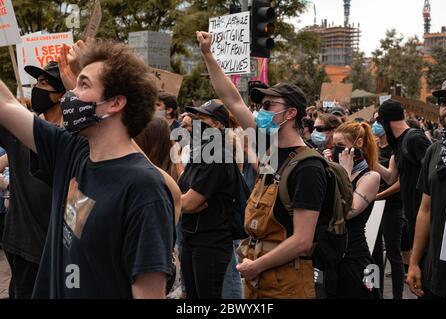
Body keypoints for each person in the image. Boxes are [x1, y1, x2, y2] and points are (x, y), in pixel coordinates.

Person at [0, 39, 175, 298]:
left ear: (115, 103)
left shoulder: (144, 189)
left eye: (82, 85)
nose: (70, 96)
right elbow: (6, 105)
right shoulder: (71, 151)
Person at [198, 31, 326, 299]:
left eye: (269, 104)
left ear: (291, 114)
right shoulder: (267, 146)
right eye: (261, 104)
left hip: (287, 282)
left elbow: (302, 240)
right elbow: (232, 99)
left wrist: (256, 266)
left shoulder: (308, 167)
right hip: (259, 277)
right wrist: (208, 55)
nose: (262, 109)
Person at [0, 61, 66, 299]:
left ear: (61, 94)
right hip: (16, 245)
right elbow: (4, 104)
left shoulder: (71, 141)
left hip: (50, 252)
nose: (36, 88)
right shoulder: (20, 131)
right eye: (36, 82)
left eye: (43, 83)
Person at [177, 100, 235, 299]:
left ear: (217, 125)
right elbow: (181, 194)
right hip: (192, 237)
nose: (195, 123)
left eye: (202, 118)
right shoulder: (202, 153)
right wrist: (182, 203)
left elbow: (188, 202)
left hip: (210, 243)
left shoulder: (218, 155)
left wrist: (182, 203)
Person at [376, 100, 431, 273]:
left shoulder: (414, 138)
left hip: (424, 214)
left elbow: (433, 174)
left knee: (425, 269)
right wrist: (369, 157)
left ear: (387, 121)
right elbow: (393, 178)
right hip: (412, 215)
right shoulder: (399, 143)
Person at [407, 79, 446, 299]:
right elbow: (425, 209)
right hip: (435, 272)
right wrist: (414, 262)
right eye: (444, 100)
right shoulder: (434, 151)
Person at [330, 122, 381, 299]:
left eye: (341, 146)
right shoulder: (333, 170)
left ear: (358, 144)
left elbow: (349, 212)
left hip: (355, 257)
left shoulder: (370, 176)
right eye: (334, 145)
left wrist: (344, 172)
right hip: (331, 254)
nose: (337, 151)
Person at [371, 116, 405, 299]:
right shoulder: (373, 146)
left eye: (380, 121)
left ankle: (397, 295)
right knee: (371, 253)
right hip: (372, 207)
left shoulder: (396, 149)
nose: (376, 125)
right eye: (375, 121)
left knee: (393, 253)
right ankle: (373, 292)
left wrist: (378, 196)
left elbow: (395, 181)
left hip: (391, 206)